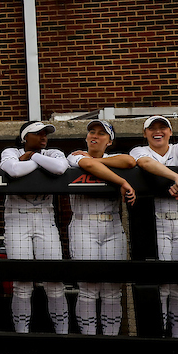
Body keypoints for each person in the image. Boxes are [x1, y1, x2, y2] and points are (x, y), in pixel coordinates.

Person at [67, 120, 136, 336]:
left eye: (101, 134)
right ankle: (89, 340)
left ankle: (111, 339)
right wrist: (122, 182)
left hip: (112, 224)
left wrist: (102, 163)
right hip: (83, 223)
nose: (95, 136)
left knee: (113, 288)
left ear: (110, 141)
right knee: (88, 287)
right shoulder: (75, 156)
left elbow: (130, 161)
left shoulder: (111, 159)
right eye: (91, 132)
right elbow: (88, 165)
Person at [0, 121, 70, 334]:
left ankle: (63, 334)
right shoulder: (10, 151)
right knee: (22, 282)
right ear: (24, 138)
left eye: (45, 134)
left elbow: (59, 168)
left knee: (54, 281)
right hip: (16, 219)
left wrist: (33, 157)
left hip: (45, 218)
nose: (43, 137)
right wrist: (39, 162)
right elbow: (13, 170)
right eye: (37, 134)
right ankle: (22, 335)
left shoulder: (54, 152)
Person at [130, 115, 178, 338]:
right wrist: (177, 179)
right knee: (162, 284)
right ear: (145, 133)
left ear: (170, 131)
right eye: (152, 129)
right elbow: (146, 164)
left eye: (162, 128)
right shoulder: (139, 150)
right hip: (158, 223)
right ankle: (161, 339)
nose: (157, 132)